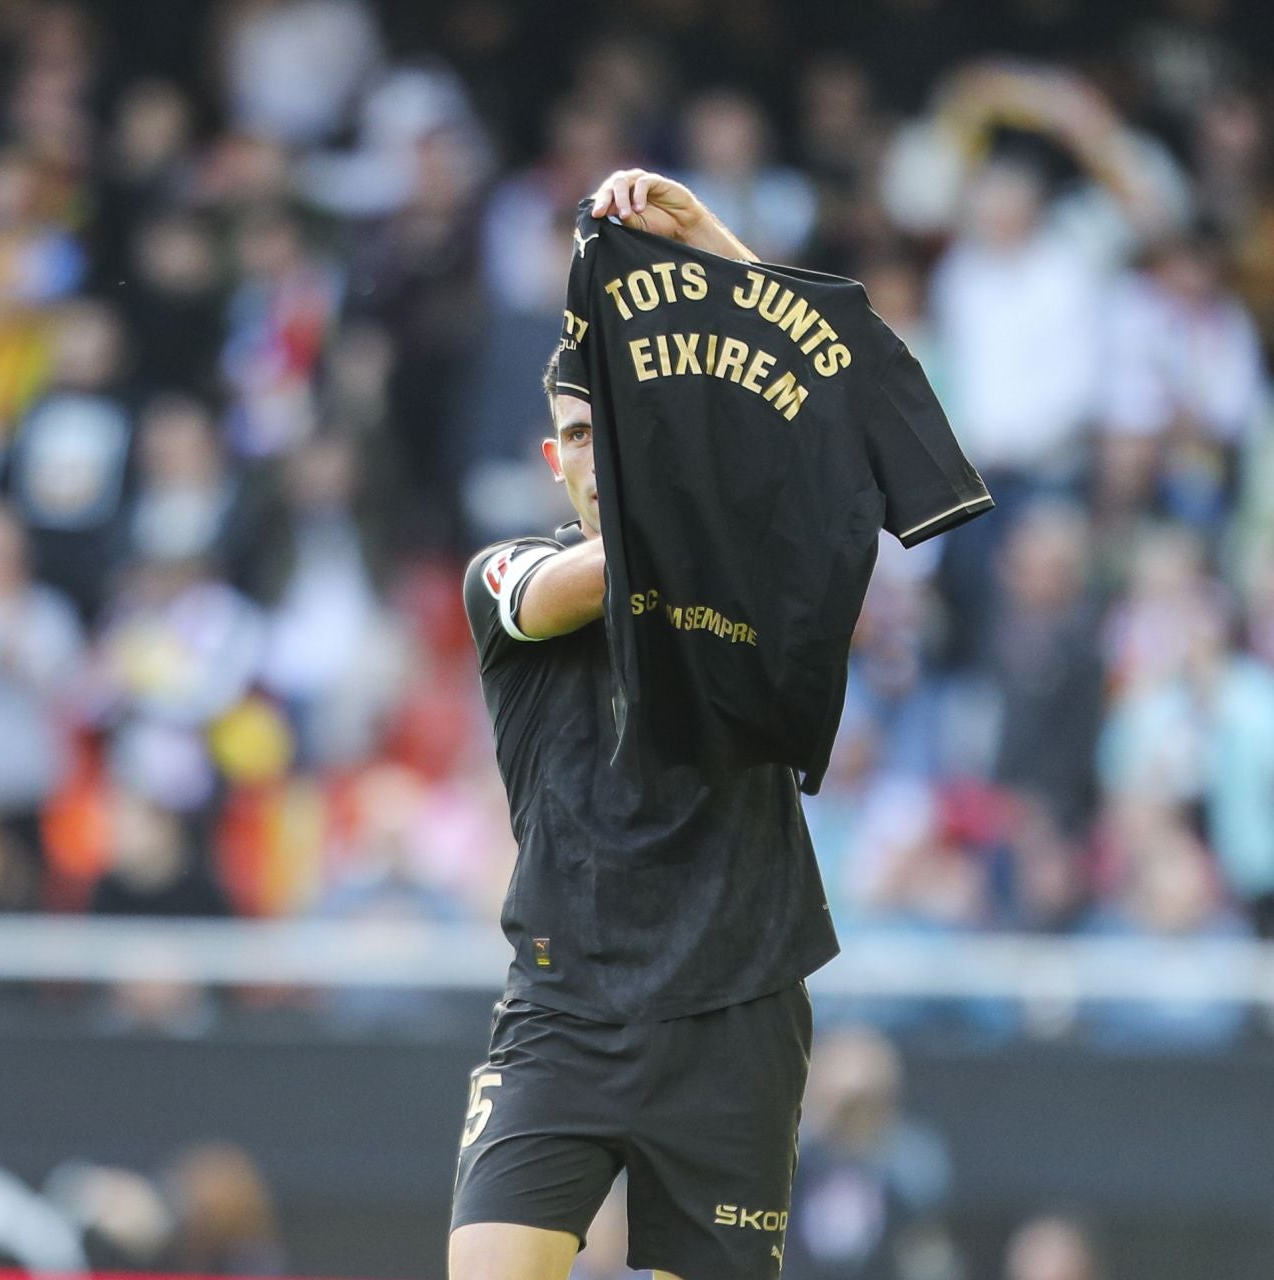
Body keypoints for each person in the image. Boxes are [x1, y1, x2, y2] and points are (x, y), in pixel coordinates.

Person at [450, 169, 838, 1280]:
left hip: (737, 1012)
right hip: (565, 1009)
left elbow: (819, 399)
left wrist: (711, 243)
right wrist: (703, 479)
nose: (597, 455)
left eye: (618, 427)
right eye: (580, 433)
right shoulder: (507, 574)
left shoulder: (746, 558)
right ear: (553, 457)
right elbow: (589, 582)